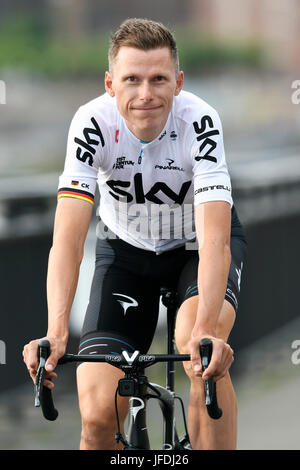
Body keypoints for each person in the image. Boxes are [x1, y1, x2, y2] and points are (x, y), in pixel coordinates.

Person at [23, 18, 247, 450]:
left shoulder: (200, 121)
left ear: (178, 82)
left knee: (196, 353)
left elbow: (216, 239)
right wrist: (55, 333)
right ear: (111, 84)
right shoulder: (91, 124)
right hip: (125, 253)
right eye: (132, 80)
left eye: (159, 79)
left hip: (196, 249)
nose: (145, 94)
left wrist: (208, 334)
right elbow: (68, 240)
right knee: (96, 412)